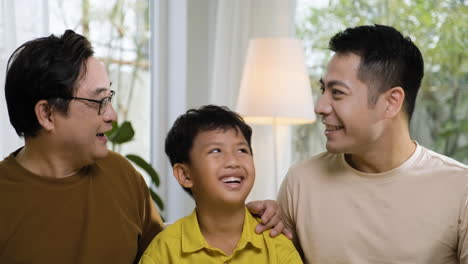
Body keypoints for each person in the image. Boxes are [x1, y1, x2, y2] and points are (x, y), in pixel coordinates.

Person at [0, 30, 285, 264]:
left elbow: (167, 250)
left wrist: (241, 218)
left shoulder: (121, 174)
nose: (111, 115)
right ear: (47, 114)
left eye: (109, 97)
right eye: (99, 101)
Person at [277, 24, 468, 264]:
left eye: (337, 93)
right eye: (323, 89)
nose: (320, 107)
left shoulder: (461, 189)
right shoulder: (300, 182)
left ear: (391, 101)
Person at [140, 105, 302, 263]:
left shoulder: (276, 246)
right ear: (184, 174)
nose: (233, 161)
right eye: (216, 151)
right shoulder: (164, 251)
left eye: (242, 150)